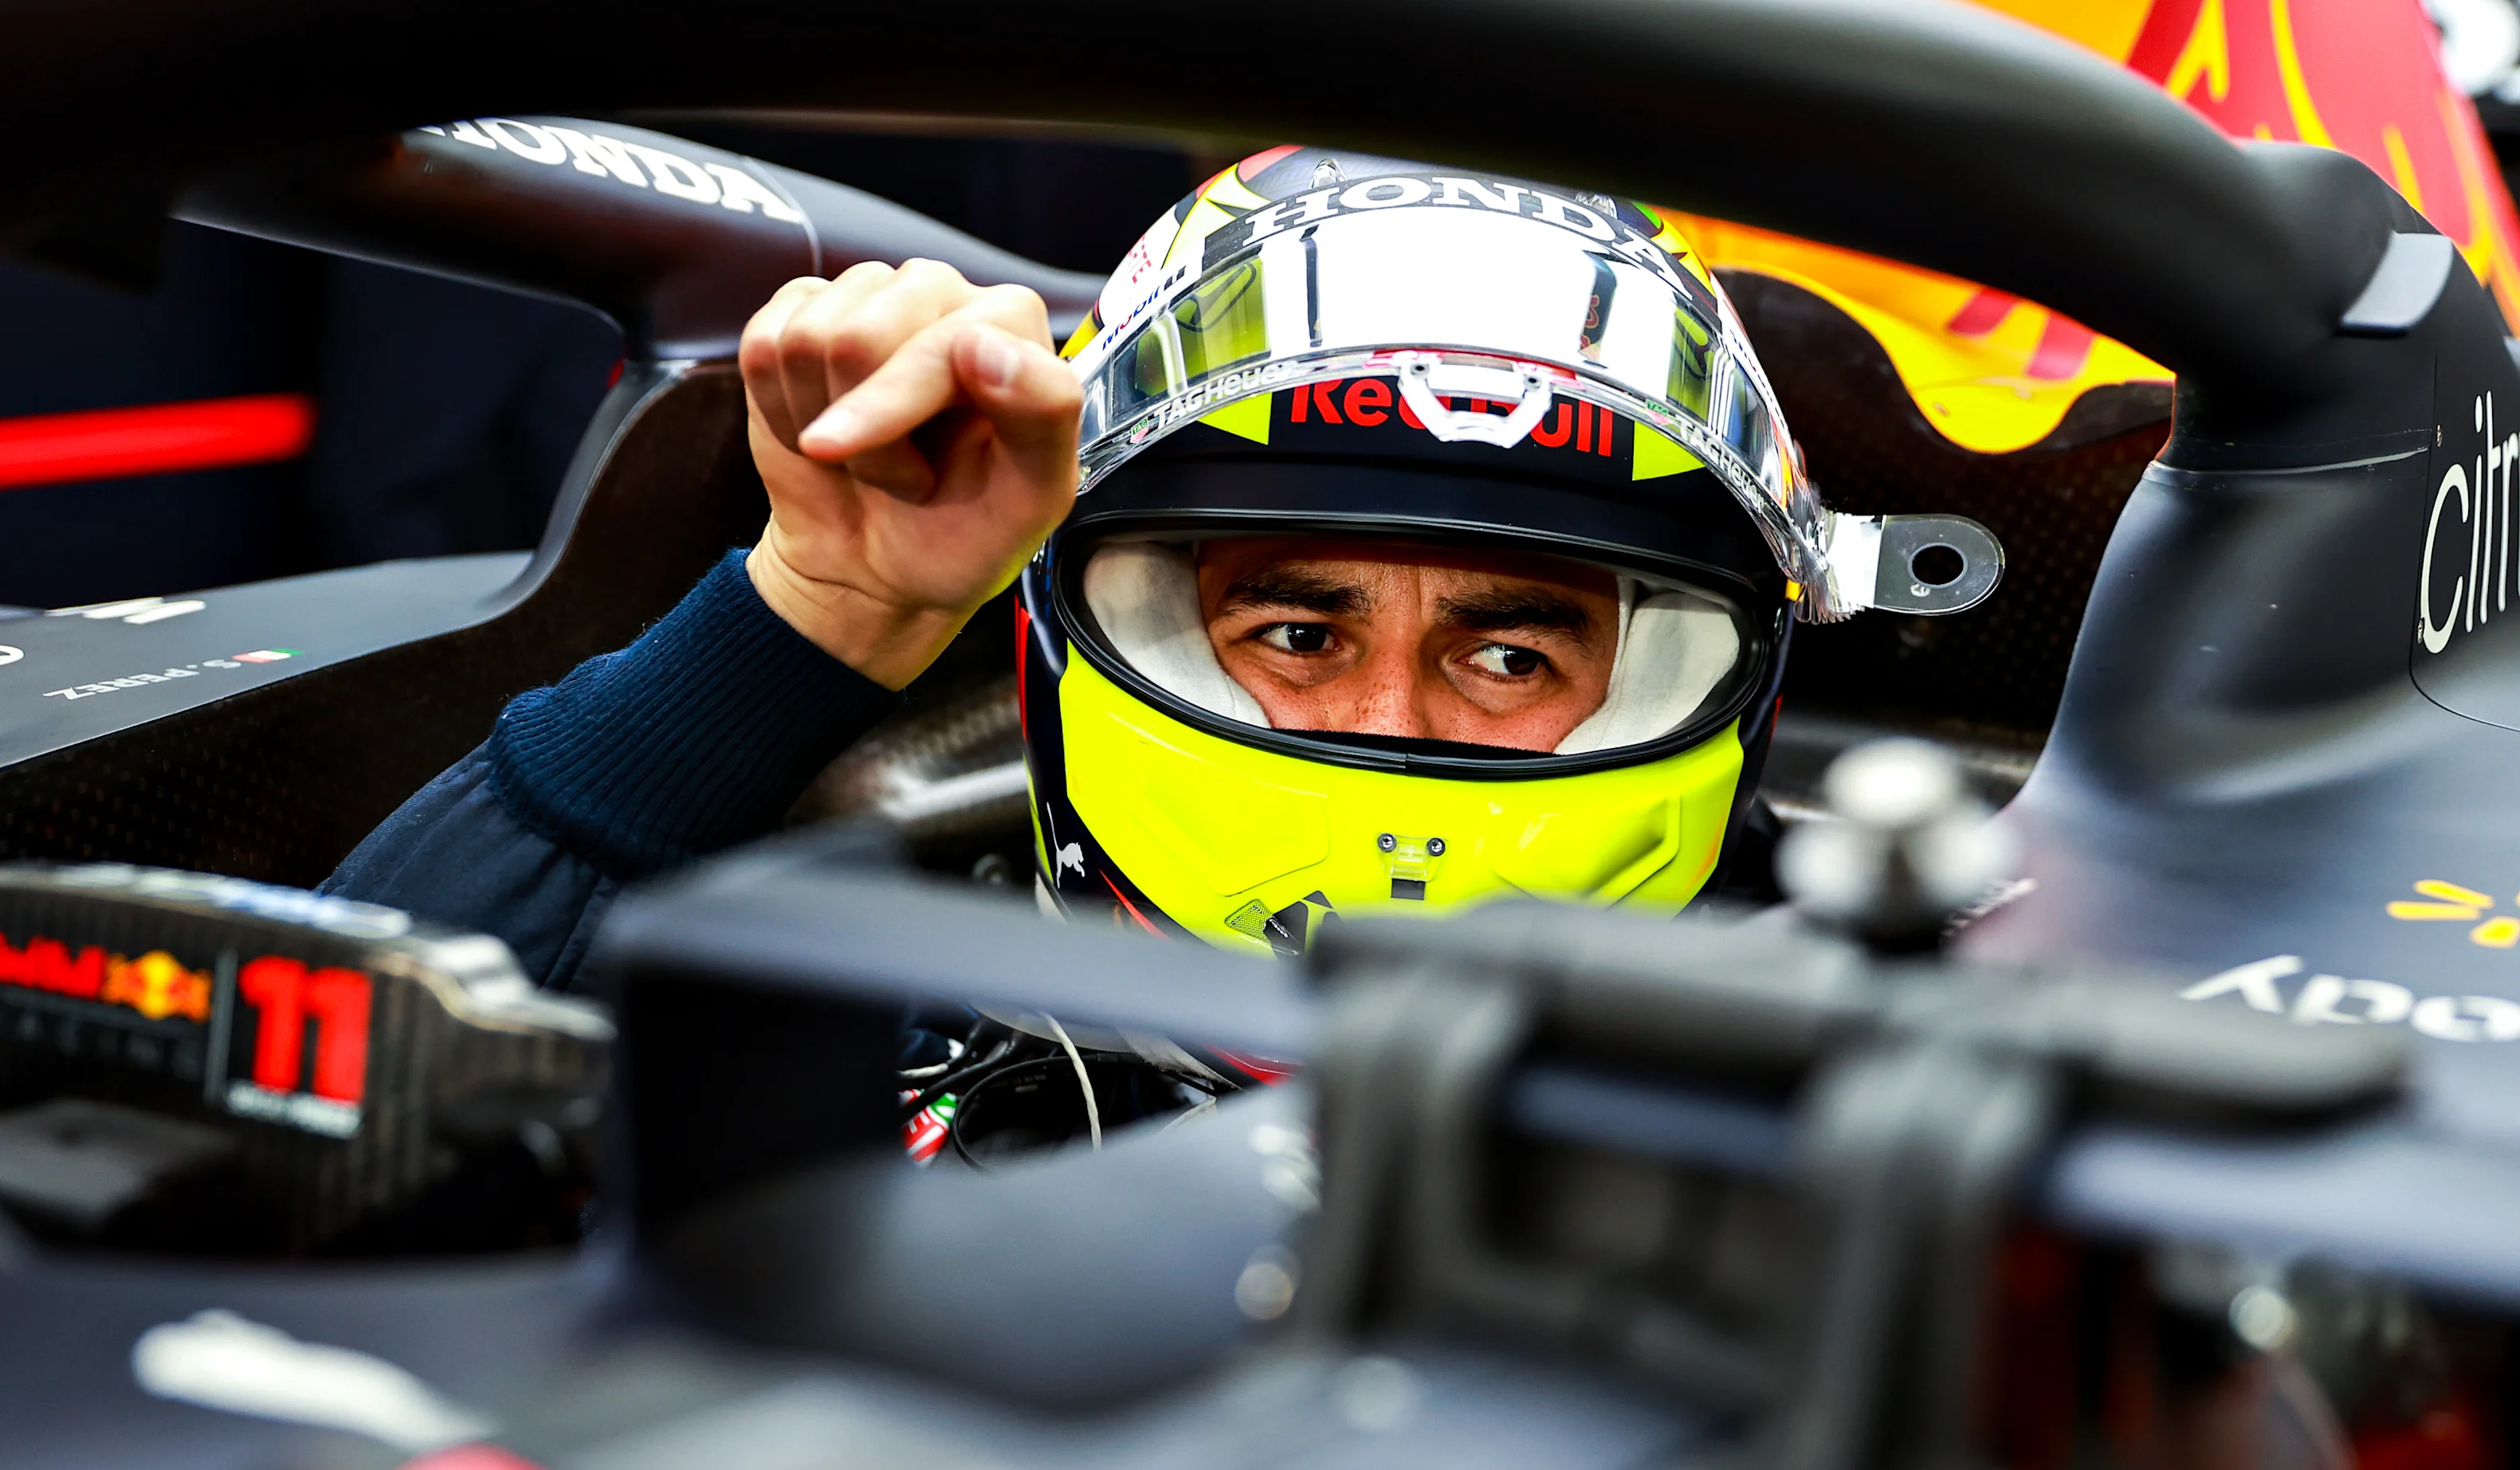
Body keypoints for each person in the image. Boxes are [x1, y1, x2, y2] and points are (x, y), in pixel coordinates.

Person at [325, 148, 1828, 998]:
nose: (1391, 725)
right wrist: (823, 609)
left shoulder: (1859, 1099)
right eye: (1298, 632)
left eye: (1509, 657)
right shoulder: (885, 1047)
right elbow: (351, 1071)